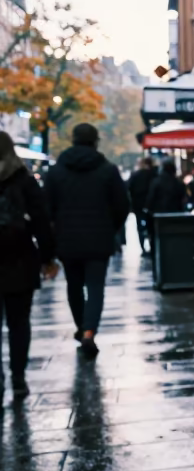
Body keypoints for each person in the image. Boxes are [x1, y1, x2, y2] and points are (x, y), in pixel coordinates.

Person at [43, 123, 130, 357]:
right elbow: (122, 204)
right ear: (95, 141)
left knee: (73, 286)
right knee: (95, 287)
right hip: (98, 239)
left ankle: (81, 326)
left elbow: (46, 208)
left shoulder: (56, 171)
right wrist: (110, 227)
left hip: (67, 239)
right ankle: (89, 332)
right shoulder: (107, 170)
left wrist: (53, 235)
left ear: (72, 140)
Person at [0, 132, 56, 398]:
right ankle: (18, 377)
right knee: (19, 322)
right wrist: (47, 258)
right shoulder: (24, 180)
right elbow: (41, 221)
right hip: (19, 258)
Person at [126, 156, 155, 252]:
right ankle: (152, 246)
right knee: (151, 227)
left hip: (138, 205)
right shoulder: (153, 175)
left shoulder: (135, 175)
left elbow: (128, 188)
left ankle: (142, 247)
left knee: (140, 227)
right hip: (151, 206)